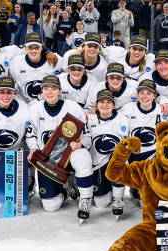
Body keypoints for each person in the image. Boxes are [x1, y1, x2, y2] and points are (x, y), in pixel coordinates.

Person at [26, 75, 94, 220]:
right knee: (50, 206)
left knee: (82, 156)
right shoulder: (35, 109)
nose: (49, 92)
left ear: (60, 91)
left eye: (53, 88)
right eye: (46, 88)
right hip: (48, 159)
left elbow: (88, 134)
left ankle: (85, 199)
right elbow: (30, 135)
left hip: (71, 154)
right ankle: (65, 190)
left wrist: (81, 144)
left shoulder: (73, 107)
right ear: (42, 91)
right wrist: (33, 148)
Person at [81, 89, 130, 219]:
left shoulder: (123, 119)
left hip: (115, 163)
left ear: (114, 105)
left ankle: (118, 197)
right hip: (97, 164)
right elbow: (85, 140)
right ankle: (106, 190)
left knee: (119, 159)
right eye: (101, 102)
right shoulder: (89, 119)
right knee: (101, 203)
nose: (105, 105)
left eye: (109, 102)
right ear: (96, 105)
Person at [9, 32, 63, 103]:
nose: (33, 51)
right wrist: (17, 100)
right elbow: (11, 86)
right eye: (30, 47)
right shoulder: (15, 63)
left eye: (37, 47)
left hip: (48, 104)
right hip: (25, 105)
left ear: (42, 47)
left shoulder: (55, 60)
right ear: (25, 47)